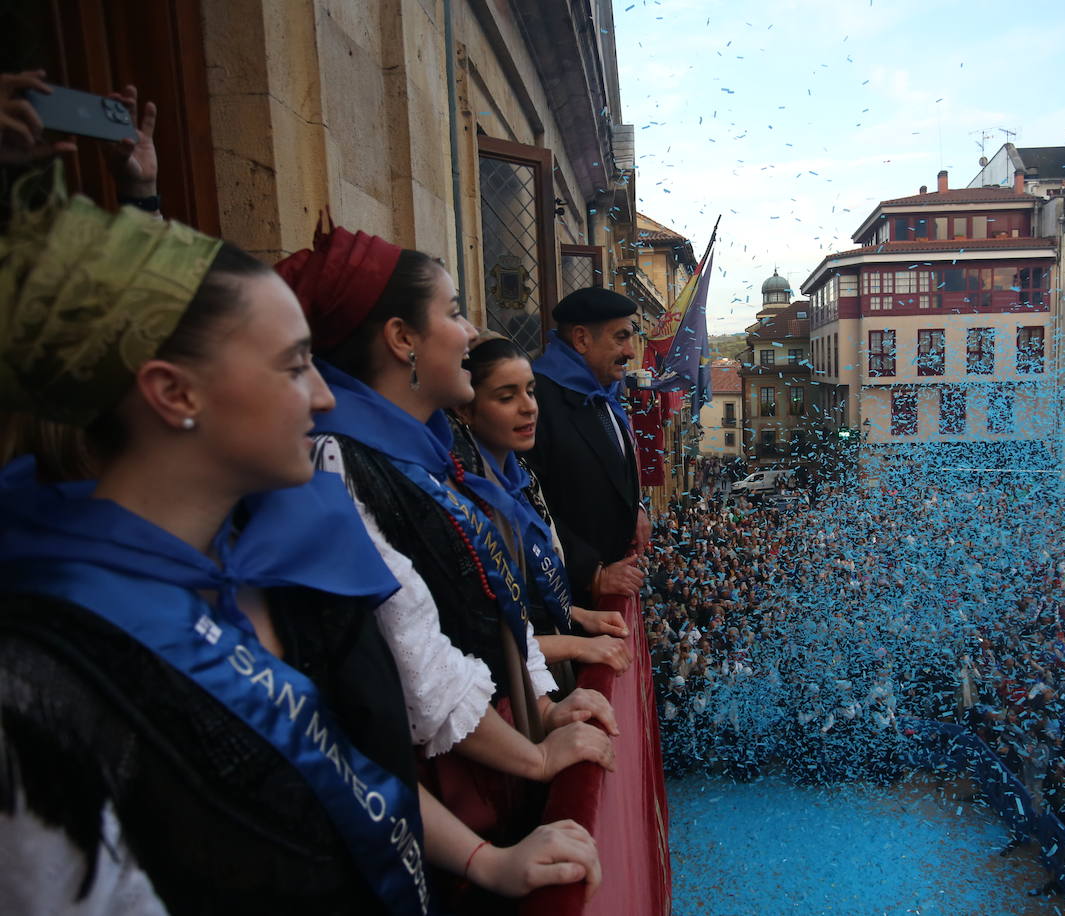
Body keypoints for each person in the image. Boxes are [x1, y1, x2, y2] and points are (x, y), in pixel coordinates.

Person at [0, 166, 597, 913]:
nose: (322, 396)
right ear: (173, 394)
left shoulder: (248, 545)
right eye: (292, 366)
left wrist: (485, 861)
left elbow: (353, 764)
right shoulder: (36, 681)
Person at [275, 224, 615, 903]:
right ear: (402, 340)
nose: (469, 333)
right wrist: (538, 754)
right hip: (442, 804)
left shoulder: (420, 454)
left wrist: (545, 709)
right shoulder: (344, 461)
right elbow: (420, 667)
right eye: (454, 312)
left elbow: (496, 609)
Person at [453, 335, 632, 684]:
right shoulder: (466, 503)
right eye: (507, 397)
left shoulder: (522, 476)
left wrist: (575, 614)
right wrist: (575, 647)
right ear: (465, 409)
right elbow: (478, 640)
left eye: (530, 391)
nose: (529, 407)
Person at [525, 287, 648, 607]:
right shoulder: (536, 402)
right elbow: (525, 501)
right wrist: (591, 574)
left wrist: (637, 506)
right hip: (574, 599)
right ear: (581, 339)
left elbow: (614, 465)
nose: (631, 352)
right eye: (620, 338)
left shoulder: (602, 390)